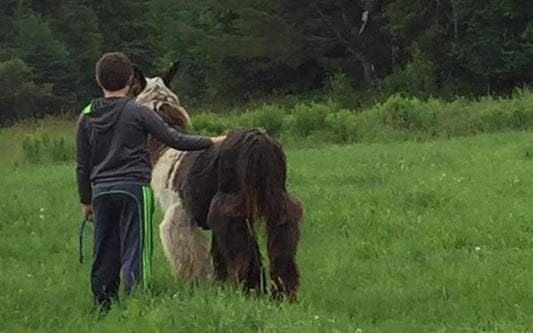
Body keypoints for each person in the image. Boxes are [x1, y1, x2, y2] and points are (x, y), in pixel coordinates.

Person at [75, 52, 225, 310]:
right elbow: (175, 139)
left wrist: (85, 200)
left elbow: (82, 163)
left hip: (101, 190)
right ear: (130, 79)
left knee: (104, 247)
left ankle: (102, 302)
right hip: (134, 188)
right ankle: (137, 298)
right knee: (136, 246)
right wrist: (211, 141)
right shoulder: (138, 111)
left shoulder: (86, 114)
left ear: (98, 80)